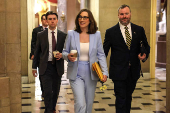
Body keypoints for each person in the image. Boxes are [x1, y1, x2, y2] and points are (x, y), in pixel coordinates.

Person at [103, 4, 150, 113]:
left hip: (133, 71)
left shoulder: (139, 30)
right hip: (118, 72)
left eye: (126, 14)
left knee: (128, 97)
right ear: (118, 15)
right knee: (121, 98)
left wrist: (144, 55)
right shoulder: (111, 32)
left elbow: (146, 46)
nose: (124, 16)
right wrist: (100, 68)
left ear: (130, 14)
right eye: (122, 14)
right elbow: (104, 51)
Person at [62, 9, 108, 113]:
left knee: (89, 102)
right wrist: (67, 56)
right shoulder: (71, 34)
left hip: (92, 72)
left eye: (84, 17)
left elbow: (100, 54)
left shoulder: (96, 35)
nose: (82, 19)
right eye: (80, 17)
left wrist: (105, 72)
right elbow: (64, 52)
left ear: (90, 20)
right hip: (75, 71)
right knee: (80, 102)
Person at [32, 11, 67, 113]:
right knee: (47, 92)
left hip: (57, 67)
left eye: (54, 19)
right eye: (50, 19)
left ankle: (52, 109)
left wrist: (63, 54)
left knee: (55, 92)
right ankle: (48, 110)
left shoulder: (63, 35)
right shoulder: (41, 35)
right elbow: (37, 52)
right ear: (46, 21)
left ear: (57, 20)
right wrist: (34, 67)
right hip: (45, 66)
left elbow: (66, 50)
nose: (52, 21)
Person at [30, 14, 48, 96]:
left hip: (50, 56)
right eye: (44, 19)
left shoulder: (53, 31)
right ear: (42, 20)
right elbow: (33, 43)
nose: (46, 21)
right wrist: (33, 54)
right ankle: (43, 90)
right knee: (42, 74)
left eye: (46, 19)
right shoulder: (36, 31)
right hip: (40, 56)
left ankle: (49, 90)